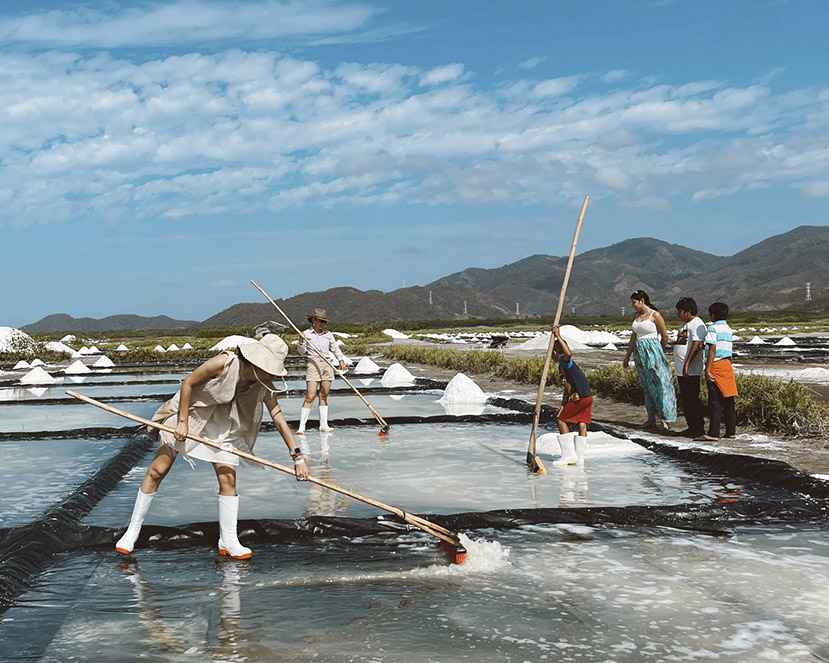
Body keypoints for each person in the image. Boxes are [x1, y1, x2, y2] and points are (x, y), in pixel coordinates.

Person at [115, 333, 309, 560]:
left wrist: (298, 457)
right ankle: (132, 532)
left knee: (228, 478)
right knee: (158, 470)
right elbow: (188, 382)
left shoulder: (262, 384)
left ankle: (228, 540)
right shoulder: (224, 363)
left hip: (223, 424)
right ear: (257, 363)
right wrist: (183, 422)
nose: (272, 375)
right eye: (270, 369)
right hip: (192, 414)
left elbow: (277, 417)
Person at [623, 290, 677, 431]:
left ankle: (665, 418)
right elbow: (633, 337)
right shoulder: (636, 316)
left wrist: (659, 351)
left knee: (659, 383)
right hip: (639, 352)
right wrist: (627, 355)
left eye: (634, 302)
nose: (633, 305)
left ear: (642, 300)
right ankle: (651, 418)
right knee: (647, 386)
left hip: (653, 351)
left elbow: (664, 336)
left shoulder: (655, 315)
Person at [296, 308, 348, 435]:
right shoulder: (306, 334)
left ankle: (323, 425)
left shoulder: (328, 334)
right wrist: (301, 340)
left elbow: (335, 348)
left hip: (327, 364)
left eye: (324, 322)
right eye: (320, 321)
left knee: (323, 395)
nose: (322, 324)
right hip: (313, 363)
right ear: (313, 321)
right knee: (310, 395)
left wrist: (340, 360)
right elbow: (301, 352)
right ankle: (301, 427)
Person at [551, 325, 593, 465]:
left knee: (560, 420)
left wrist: (558, 335)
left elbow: (568, 353)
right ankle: (580, 458)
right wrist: (562, 405)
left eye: (551, 353)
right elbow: (567, 388)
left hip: (580, 397)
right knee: (582, 423)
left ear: (556, 352)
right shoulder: (562, 367)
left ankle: (569, 455)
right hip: (587, 396)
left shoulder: (564, 360)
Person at [698, 301, 738, 441]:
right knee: (728, 400)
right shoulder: (728, 329)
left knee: (715, 401)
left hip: (716, 365)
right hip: (726, 364)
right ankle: (730, 431)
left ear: (713, 315)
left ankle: (713, 433)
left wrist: (707, 369)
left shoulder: (712, 329)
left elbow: (713, 349)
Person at [675, 297, 707, 438]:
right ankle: (691, 427)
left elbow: (697, 345)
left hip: (691, 370)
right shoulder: (684, 324)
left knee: (693, 399)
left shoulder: (697, 323)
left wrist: (687, 364)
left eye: (680, 311)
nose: (678, 314)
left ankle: (698, 428)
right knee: (686, 400)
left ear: (688, 311)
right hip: (681, 369)